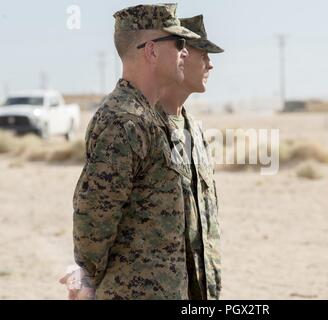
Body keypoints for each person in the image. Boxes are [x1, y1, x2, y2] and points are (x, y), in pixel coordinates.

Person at [59, 3, 220, 300]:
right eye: (179, 43)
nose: (186, 52)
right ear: (152, 51)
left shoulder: (149, 117)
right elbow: (94, 217)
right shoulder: (124, 121)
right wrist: (87, 281)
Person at [155, 14, 224, 300]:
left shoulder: (193, 128)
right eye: (204, 54)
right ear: (179, 56)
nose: (210, 64)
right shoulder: (142, 126)